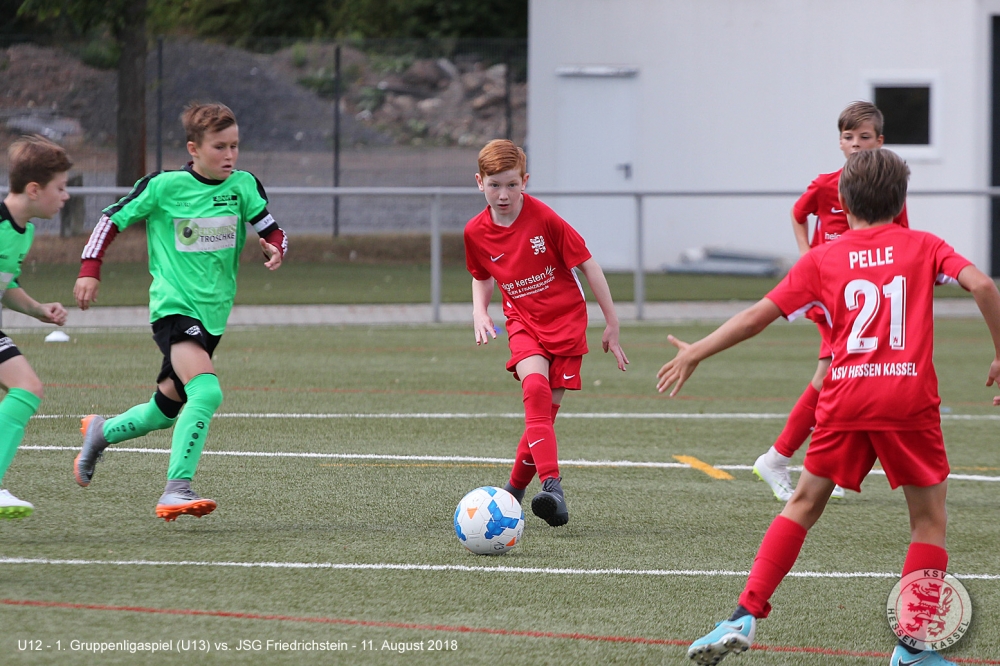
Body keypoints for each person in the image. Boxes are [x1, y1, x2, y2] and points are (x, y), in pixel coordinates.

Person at [657, 149, 1000, 666]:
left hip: (845, 397)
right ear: (901, 200)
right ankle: (912, 649)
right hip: (907, 401)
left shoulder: (822, 258)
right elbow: (983, 285)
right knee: (929, 521)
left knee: (802, 504)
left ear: (842, 200)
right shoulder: (924, 244)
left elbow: (755, 318)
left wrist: (696, 352)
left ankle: (743, 614)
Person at [72, 102, 287, 521]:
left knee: (163, 411)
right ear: (194, 148)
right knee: (206, 391)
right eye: (219, 147)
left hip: (213, 315)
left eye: (235, 146)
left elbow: (273, 229)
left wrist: (276, 248)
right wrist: (90, 269)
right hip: (174, 308)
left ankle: (101, 431)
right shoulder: (164, 186)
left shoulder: (243, 186)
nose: (230, 155)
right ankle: (176, 489)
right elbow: (110, 219)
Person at [464, 139, 628, 527]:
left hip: (567, 324)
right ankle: (553, 486)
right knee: (535, 390)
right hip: (522, 322)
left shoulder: (545, 219)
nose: (503, 195)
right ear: (480, 182)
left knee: (543, 418)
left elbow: (590, 266)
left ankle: (513, 492)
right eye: (494, 185)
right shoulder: (475, 232)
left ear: (525, 181)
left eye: (512, 185)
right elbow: (482, 275)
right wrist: (479, 311)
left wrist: (612, 323)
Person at [752, 101, 910, 502]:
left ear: (879, 141)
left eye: (864, 137)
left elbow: (902, 240)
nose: (855, 144)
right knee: (835, 376)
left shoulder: (888, 191)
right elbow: (798, 213)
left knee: (846, 377)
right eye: (848, 136)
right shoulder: (827, 185)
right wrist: (806, 253)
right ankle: (782, 459)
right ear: (839, 142)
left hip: (866, 296)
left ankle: (817, 463)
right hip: (832, 294)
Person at [0, 136, 71, 518]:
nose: (66, 196)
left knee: (24, 390)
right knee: (26, 387)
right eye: (60, 188)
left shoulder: (22, 230)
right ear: (33, 189)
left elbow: (5, 285)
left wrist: (37, 309)